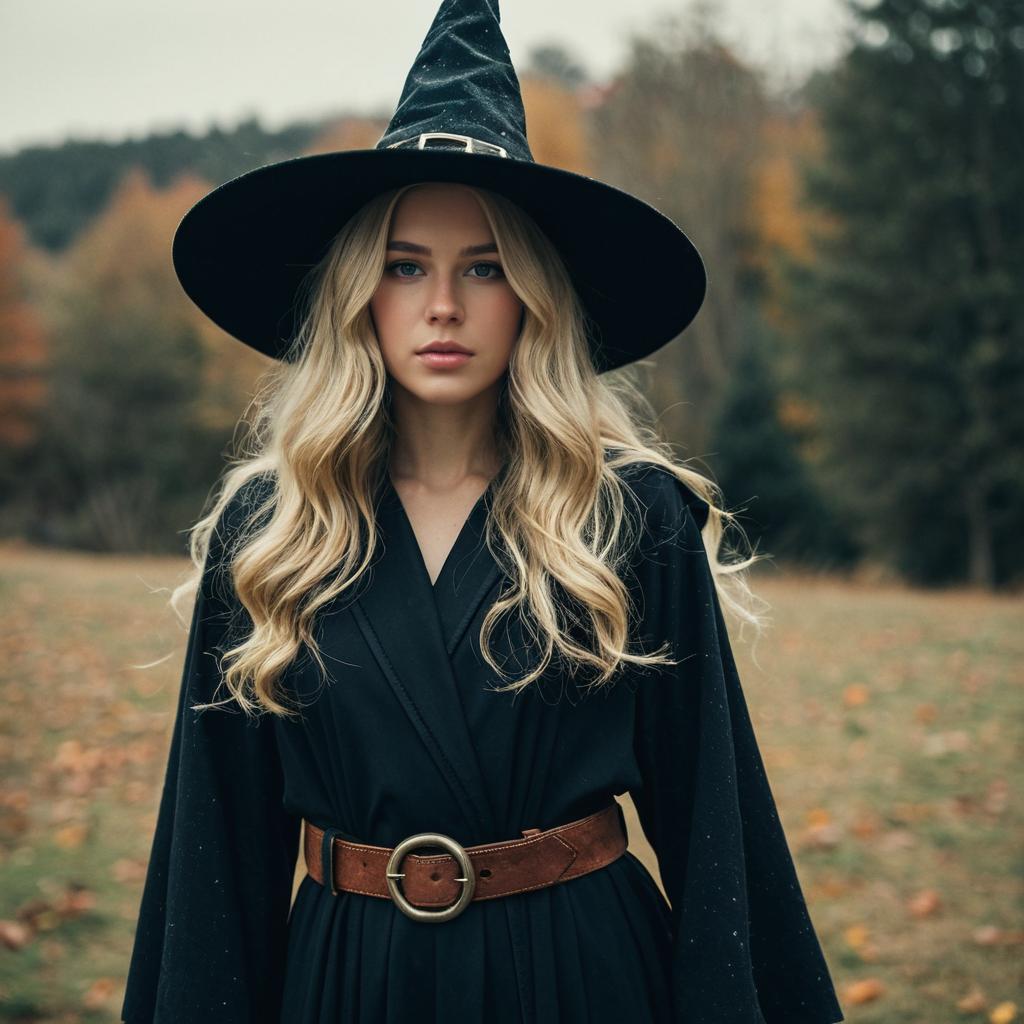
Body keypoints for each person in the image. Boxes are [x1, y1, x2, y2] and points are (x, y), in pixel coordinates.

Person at [120, 1, 845, 1022]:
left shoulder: (630, 519)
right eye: (405, 265)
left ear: (536, 298)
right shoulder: (273, 533)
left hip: (583, 974)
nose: (443, 305)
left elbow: (717, 835)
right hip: (347, 981)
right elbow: (212, 866)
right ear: (358, 293)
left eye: (486, 266)